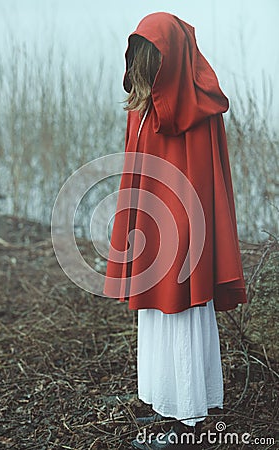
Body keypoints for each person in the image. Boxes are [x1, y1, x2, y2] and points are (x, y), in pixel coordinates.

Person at [103, 12, 247, 449]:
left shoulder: (199, 112)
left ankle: (188, 422)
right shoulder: (142, 109)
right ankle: (160, 396)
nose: (141, 67)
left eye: (149, 58)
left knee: (181, 316)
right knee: (154, 314)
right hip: (152, 232)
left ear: (169, 60)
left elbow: (203, 185)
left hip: (186, 240)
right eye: (139, 57)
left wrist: (185, 242)